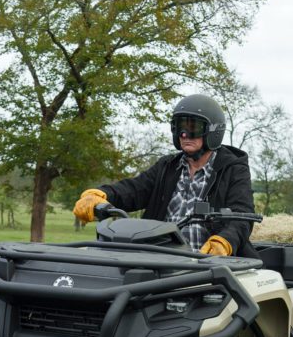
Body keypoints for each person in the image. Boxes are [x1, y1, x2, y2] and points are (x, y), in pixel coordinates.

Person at [72, 94, 257, 256]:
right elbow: (134, 189)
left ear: (213, 131)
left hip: (211, 262)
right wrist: (100, 194)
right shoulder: (167, 166)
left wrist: (224, 241)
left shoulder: (233, 169)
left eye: (193, 127)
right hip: (162, 261)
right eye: (179, 127)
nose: (184, 134)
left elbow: (242, 216)